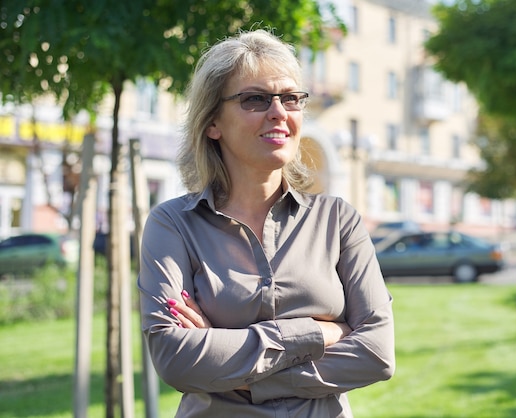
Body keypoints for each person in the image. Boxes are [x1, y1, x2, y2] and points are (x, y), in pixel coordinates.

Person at [137, 28, 395, 417]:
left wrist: (228, 356)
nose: (278, 112)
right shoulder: (174, 223)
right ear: (212, 123)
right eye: (255, 99)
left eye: (290, 98)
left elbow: (376, 353)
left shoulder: (337, 220)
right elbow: (175, 360)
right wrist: (321, 332)